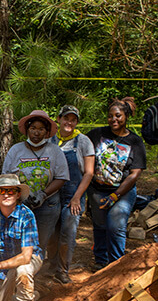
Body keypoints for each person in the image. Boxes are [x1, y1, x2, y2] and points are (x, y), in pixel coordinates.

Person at [1, 110, 68, 270]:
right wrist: (19, 195)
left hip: (48, 205)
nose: (36, 132)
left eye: (41, 129)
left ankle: (31, 280)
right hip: (20, 204)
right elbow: (6, 176)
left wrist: (43, 194)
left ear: (46, 132)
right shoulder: (16, 150)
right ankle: (16, 276)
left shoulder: (55, 151)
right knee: (19, 241)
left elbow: (62, 177)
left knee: (39, 243)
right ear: (27, 129)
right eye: (33, 128)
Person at [86, 97, 146, 269]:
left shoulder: (135, 142)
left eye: (118, 116)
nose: (114, 119)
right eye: (111, 116)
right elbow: (81, 146)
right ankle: (101, 262)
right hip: (97, 190)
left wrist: (115, 195)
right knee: (100, 226)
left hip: (123, 192)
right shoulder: (97, 134)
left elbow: (134, 174)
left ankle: (116, 265)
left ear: (126, 116)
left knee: (115, 225)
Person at [48, 105, 94, 284]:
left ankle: (62, 270)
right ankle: (50, 267)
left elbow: (89, 172)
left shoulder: (83, 141)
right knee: (51, 233)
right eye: (66, 118)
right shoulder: (50, 140)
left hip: (73, 195)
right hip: (52, 193)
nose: (69, 122)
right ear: (59, 119)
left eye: (73, 119)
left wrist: (77, 197)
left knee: (67, 234)